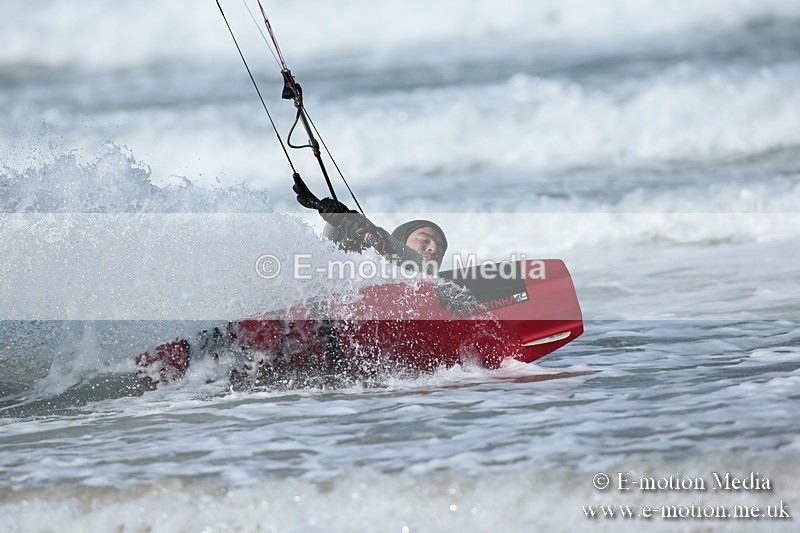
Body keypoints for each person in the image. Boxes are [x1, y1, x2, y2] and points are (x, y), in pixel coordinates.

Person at [294, 183, 447, 273]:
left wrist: (346, 218)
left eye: (440, 249)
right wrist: (333, 216)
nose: (434, 248)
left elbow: (387, 245)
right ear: (401, 240)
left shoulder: (431, 280)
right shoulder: (366, 272)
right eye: (424, 240)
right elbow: (328, 253)